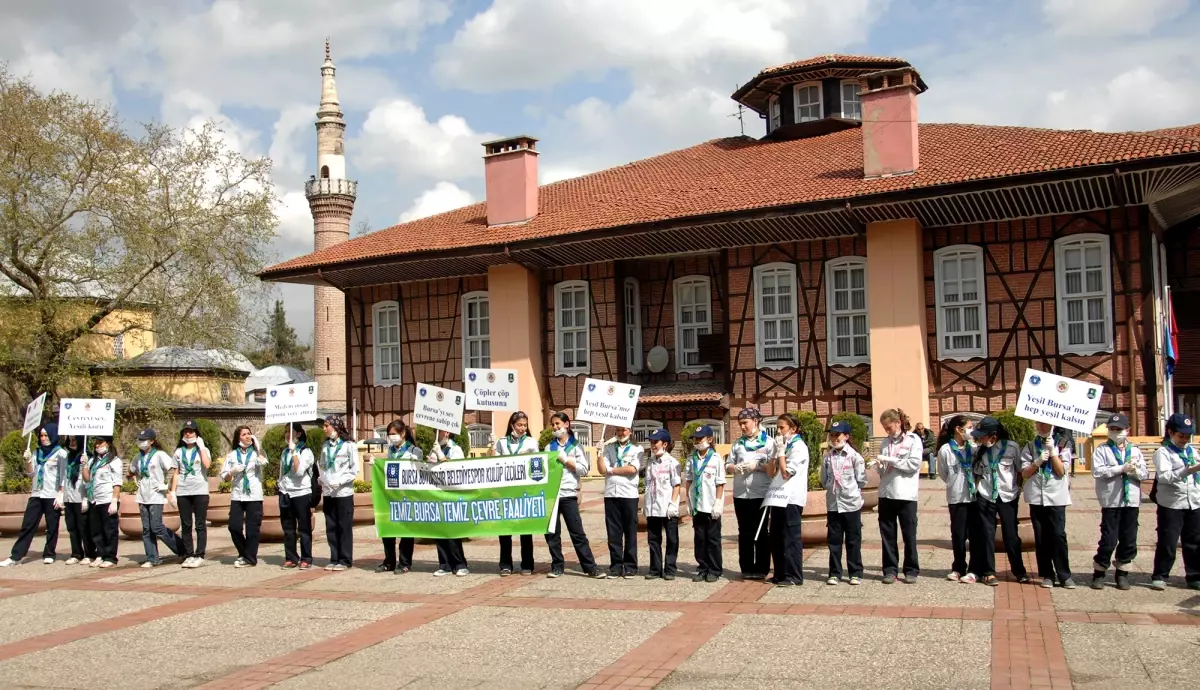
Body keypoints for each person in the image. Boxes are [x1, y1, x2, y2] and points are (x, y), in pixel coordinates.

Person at [543, 412, 603, 579]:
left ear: (567, 424)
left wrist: (567, 461)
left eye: (558, 424)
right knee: (552, 534)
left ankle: (590, 567)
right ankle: (557, 566)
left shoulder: (576, 446)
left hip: (568, 494)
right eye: (553, 425)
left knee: (577, 533)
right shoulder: (549, 447)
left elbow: (583, 469)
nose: (555, 427)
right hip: (552, 495)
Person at [1090, 413, 1145, 590]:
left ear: (1126, 431)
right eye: (1112, 429)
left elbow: (1145, 474)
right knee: (1108, 539)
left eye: (1118, 429)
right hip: (1111, 501)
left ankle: (1122, 572)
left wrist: (1136, 471)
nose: (1115, 432)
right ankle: (1099, 571)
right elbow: (1098, 471)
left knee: (1129, 540)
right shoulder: (1102, 450)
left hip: (1131, 501)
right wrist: (1120, 468)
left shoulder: (1135, 450)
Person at [971, 416, 1029, 586]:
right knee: (987, 534)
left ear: (994, 435)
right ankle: (988, 572)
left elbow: (1019, 471)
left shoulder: (1012, 447)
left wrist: (1017, 490)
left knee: (1011, 535)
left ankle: (1019, 570)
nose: (980, 438)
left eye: (983, 435)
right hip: (986, 494)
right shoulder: (979, 450)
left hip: (1007, 496)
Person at [0, 422, 67, 567]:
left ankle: (49, 553)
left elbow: (63, 475)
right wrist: (29, 461)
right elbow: (31, 474)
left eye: (46, 435)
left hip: (52, 494)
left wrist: (61, 494)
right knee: (28, 525)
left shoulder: (61, 453)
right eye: (41, 435)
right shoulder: (37, 452)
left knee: (52, 525)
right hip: (37, 493)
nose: (43, 438)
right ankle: (16, 556)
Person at [1020, 423, 1075, 589]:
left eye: (1044, 424)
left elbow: (1061, 471)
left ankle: (1064, 574)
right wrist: (1037, 462)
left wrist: (1053, 453)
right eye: (1038, 423)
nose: (1041, 426)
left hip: (1056, 497)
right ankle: (1047, 574)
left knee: (1058, 535)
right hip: (1037, 497)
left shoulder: (1063, 444)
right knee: (1041, 537)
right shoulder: (1030, 446)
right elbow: (1024, 473)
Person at [1150, 413, 1200, 591]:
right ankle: (1160, 575)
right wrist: (1188, 470)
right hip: (1172, 503)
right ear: (1171, 433)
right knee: (1168, 541)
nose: (1184, 440)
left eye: (1187, 436)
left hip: (1193, 501)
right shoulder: (1163, 452)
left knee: (1194, 540)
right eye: (1181, 436)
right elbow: (1164, 477)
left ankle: (1194, 575)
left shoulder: (1191, 450)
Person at [873, 408, 923, 584]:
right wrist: (879, 464)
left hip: (905, 493)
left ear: (898, 423)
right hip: (886, 493)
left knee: (909, 533)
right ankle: (890, 569)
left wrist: (891, 460)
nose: (887, 431)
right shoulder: (885, 443)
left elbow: (913, 465)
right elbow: (884, 471)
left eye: (889, 427)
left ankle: (911, 569)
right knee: (887, 534)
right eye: (884, 428)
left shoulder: (913, 440)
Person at [727, 408, 775, 581]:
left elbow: (773, 468)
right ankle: (746, 567)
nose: (742, 427)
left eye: (745, 423)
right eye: (740, 424)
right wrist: (735, 468)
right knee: (744, 531)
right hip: (741, 494)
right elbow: (728, 464)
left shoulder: (768, 443)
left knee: (761, 531)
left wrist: (758, 467)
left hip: (761, 493)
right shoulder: (738, 444)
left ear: (756, 421)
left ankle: (762, 568)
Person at [367, 420, 420, 574]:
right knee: (388, 530)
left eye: (394, 434)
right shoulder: (391, 450)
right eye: (389, 434)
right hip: (390, 496)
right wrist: (377, 464)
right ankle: (389, 561)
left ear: (403, 434)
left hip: (407, 496)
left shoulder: (414, 451)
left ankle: (405, 563)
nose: (391, 437)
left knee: (405, 531)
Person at [129, 428, 183, 568]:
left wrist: (166, 484)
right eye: (140, 440)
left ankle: (181, 548)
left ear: (152, 441)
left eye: (144, 440)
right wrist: (135, 479)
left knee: (157, 526)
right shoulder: (138, 457)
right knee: (146, 528)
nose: (141, 443)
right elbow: (131, 471)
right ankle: (152, 557)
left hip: (155, 494)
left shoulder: (159, 455)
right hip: (142, 495)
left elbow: (172, 468)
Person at [493, 411, 538, 576]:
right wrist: (492, 447)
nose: (522, 428)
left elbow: (538, 464)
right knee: (505, 529)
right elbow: (493, 463)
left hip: (524, 491)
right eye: (519, 425)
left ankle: (527, 563)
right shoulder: (502, 442)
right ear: (512, 425)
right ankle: (505, 564)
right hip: (506, 492)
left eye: (525, 425)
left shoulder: (531, 442)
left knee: (525, 529)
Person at [821, 420, 866, 585]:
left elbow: (861, 480)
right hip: (833, 504)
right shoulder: (827, 457)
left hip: (851, 503)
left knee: (853, 540)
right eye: (831, 435)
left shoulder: (855, 456)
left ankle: (856, 572)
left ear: (846, 436)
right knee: (834, 540)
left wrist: (851, 491)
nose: (834, 438)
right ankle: (834, 573)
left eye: (837, 435)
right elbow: (823, 479)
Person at [767, 412, 808, 586]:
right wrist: (775, 453)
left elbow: (785, 473)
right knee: (776, 535)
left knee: (791, 537)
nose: (778, 431)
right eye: (777, 427)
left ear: (793, 428)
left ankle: (794, 576)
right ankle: (779, 573)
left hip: (792, 497)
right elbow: (771, 472)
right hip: (778, 496)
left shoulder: (799, 447)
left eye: (782, 428)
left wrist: (782, 452)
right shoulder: (783, 444)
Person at [936, 415, 979, 583]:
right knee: (958, 534)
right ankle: (958, 567)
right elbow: (943, 473)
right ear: (958, 429)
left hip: (974, 496)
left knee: (975, 535)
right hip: (956, 496)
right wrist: (955, 483)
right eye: (968, 427)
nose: (970, 430)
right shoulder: (946, 450)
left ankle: (974, 569)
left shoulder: (974, 448)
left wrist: (975, 445)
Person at [598, 425, 643, 578]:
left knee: (630, 532)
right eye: (618, 430)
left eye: (624, 430)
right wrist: (599, 453)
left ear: (630, 431)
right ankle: (616, 566)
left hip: (629, 494)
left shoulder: (637, 449)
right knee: (613, 533)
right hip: (611, 494)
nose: (621, 433)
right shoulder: (609, 447)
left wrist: (611, 469)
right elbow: (601, 469)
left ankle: (630, 566)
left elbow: (631, 469)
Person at [220, 426, 266, 568]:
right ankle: (244, 552)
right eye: (244, 434)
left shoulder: (256, 453)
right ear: (238, 438)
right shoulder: (232, 455)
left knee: (253, 529)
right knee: (234, 526)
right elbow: (225, 477)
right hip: (238, 495)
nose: (247, 437)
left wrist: (258, 447)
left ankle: (250, 558)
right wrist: (232, 472)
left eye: (249, 434)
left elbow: (263, 462)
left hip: (253, 495)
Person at [685, 425, 725, 582]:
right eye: (695, 438)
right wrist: (688, 500)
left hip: (711, 504)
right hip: (697, 505)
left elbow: (720, 483)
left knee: (713, 539)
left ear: (710, 439)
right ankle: (703, 567)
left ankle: (715, 569)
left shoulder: (716, 459)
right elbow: (688, 480)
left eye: (700, 438)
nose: (697, 441)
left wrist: (719, 503)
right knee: (700, 538)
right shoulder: (691, 459)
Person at [319, 415, 358, 571]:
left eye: (326, 425)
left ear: (335, 427)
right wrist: (321, 479)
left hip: (343, 492)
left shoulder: (349, 445)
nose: (324, 429)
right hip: (329, 492)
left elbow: (354, 470)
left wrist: (340, 481)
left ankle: (345, 559)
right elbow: (322, 466)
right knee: (331, 526)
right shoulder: (325, 446)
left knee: (344, 526)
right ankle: (334, 557)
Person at [428, 428, 470, 577]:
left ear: (446, 433)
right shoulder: (435, 448)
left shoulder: (456, 449)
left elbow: (457, 470)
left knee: (453, 532)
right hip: (438, 494)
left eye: (439, 432)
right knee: (440, 531)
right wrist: (431, 459)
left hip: (452, 495)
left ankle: (460, 564)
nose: (437, 435)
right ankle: (444, 564)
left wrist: (442, 456)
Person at [643, 428, 681, 580]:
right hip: (653, 506)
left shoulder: (673, 462)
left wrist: (673, 503)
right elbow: (647, 484)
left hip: (667, 507)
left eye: (655, 442)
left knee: (672, 539)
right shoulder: (650, 462)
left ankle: (670, 568)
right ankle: (655, 568)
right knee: (653, 539)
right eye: (651, 442)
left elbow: (676, 484)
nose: (653, 445)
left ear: (664, 444)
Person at [174, 420, 212, 568]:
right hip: (183, 491)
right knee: (185, 524)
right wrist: (172, 491)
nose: (188, 434)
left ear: (197, 433)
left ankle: (200, 554)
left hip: (200, 490)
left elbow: (207, 464)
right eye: (185, 431)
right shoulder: (178, 451)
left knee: (200, 524)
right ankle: (188, 554)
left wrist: (201, 447)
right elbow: (176, 472)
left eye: (191, 431)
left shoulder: (203, 449)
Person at [278, 422, 316, 570]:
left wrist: (294, 453)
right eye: (286, 432)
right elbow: (282, 472)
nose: (288, 435)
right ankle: (291, 557)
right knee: (288, 528)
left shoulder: (305, 451)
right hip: (286, 492)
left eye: (291, 432)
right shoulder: (284, 452)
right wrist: (280, 485)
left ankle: (306, 558)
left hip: (301, 492)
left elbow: (299, 471)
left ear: (299, 434)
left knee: (304, 528)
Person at [81, 436, 122, 568]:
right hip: (95, 499)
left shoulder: (114, 461)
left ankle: (110, 557)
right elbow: (87, 480)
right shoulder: (93, 461)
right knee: (96, 530)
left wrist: (114, 500)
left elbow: (117, 482)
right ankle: (101, 554)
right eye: (96, 443)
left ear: (108, 444)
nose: (97, 445)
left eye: (100, 442)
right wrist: (84, 466)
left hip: (107, 499)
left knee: (109, 530)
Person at [61, 435, 94, 565]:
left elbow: (88, 480)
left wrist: (86, 498)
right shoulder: (68, 457)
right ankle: (76, 553)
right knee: (72, 527)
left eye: (75, 440)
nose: (72, 443)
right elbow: (64, 476)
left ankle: (89, 553)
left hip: (81, 497)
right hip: (69, 497)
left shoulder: (87, 457)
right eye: (70, 440)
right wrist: (61, 495)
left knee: (84, 527)